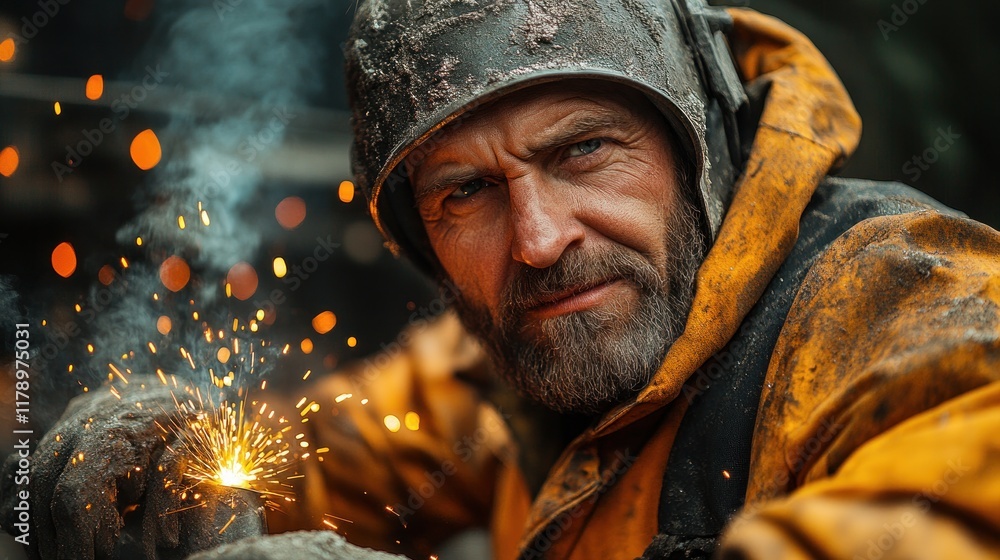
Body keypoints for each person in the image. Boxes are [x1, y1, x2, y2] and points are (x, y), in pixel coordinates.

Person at [4, 1, 1000, 559]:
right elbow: (341, 452)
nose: (535, 239)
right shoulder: (518, 345)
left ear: (699, 144)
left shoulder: (907, 298)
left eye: (583, 152)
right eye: (466, 193)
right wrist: (170, 467)